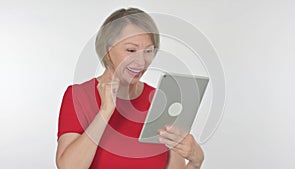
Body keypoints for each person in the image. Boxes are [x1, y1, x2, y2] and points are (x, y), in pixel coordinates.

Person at [56, 7, 204, 169]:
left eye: (148, 51)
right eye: (131, 50)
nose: (141, 62)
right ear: (108, 50)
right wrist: (105, 111)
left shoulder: (159, 100)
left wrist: (195, 162)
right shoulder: (79, 96)